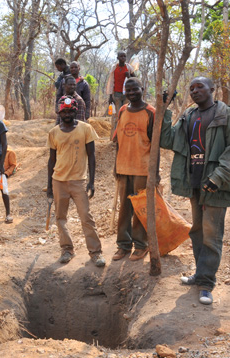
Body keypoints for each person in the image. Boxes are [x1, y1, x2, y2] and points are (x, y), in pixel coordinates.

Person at [160, 77, 230, 305]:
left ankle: (206, 284)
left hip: (216, 186)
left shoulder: (226, 115)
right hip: (195, 183)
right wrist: (165, 109)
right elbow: (167, 140)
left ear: (212, 89)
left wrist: (217, 178)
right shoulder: (189, 116)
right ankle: (200, 275)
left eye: (200, 87)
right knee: (197, 231)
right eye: (191, 88)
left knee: (211, 235)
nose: (195, 91)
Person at [47, 96, 105, 267]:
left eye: (69, 110)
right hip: (59, 181)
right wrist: (49, 185)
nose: (66, 114)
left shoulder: (86, 129)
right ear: (59, 112)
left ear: (74, 111)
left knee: (86, 217)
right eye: (63, 111)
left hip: (79, 181)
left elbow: (92, 156)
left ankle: (96, 253)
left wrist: (92, 181)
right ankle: (67, 249)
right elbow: (51, 161)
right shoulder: (53, 133)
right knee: (60, 217)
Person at [111, 77, 156, 262]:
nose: (131, 93)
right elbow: (118, 141)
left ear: (142, 89)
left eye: (134, 89)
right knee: (124, 208)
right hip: (124, 167)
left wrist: (155, 172)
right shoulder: (122, 110)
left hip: (142, 168)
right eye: (127, 90)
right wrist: (116, 165)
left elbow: (155, 144)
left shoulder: (150, 112)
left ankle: (141, 245)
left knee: (140, 208)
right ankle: (123, 245)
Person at [106, 51, 136, 138]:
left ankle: (125, 136)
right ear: (118, 58)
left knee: (126, 114)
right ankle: (115, 136)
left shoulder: (128, 67)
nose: (123, 58)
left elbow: (135, 79)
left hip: (127, 95)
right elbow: (111, 82)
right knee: (117, 115)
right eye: (121, 56)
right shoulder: (114, 68)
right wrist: (110, 96)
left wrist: (129, 76)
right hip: (116, 95)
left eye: (124, 56)